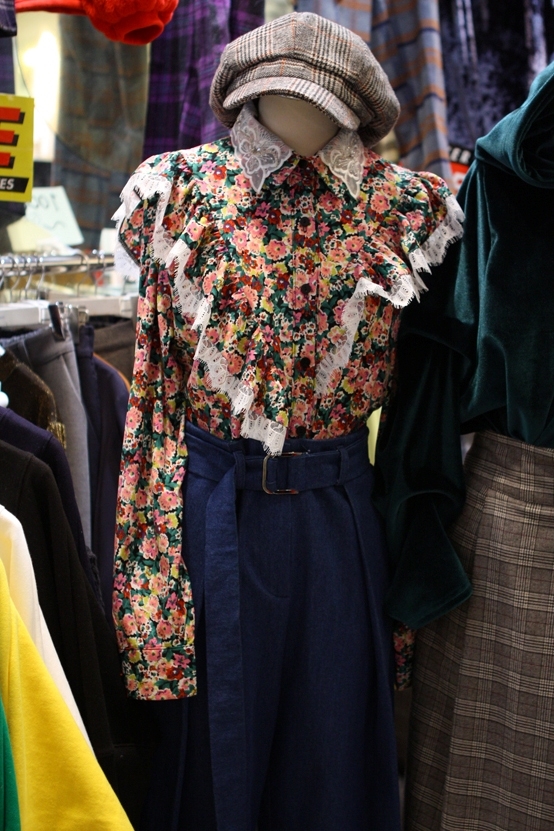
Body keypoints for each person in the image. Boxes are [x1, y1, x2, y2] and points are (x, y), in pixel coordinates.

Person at [112, 12, 463, 830]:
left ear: (356, 108)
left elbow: (418, 425)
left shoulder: (409, 211)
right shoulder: (178, 194)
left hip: (341, 526)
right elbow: (153, 408)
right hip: (211, 517)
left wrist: (407, 606)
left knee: (332, 776)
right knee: (210, 775)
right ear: (247, 92)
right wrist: (152, 612)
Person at [375, 60, 554, 831]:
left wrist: (416, 515)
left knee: (482, 784)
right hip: (512, 511)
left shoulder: (493, 178)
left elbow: (432, 365)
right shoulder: (492, 181)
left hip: (505, 508)